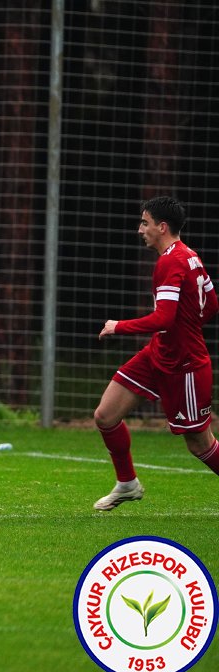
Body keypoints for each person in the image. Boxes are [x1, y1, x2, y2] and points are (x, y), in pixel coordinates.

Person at [94, 195, 219, 511]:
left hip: (185, 364)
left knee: (199, 444)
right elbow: (211, 305)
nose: (140, 229)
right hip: (158, 354)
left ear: (162, 227)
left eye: (145, 222)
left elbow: (163, 318)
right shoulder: (189, 256)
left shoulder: (171, 262)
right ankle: (127, 483)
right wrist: (183, 327)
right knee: (106, 415)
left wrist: (118, 326)